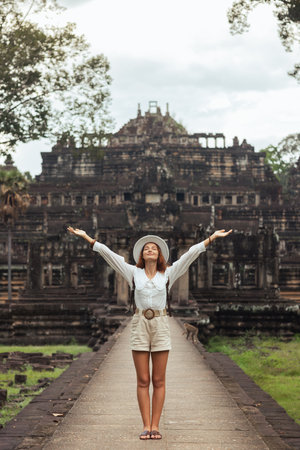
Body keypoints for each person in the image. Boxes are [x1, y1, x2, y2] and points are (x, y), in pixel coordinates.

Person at [67, 226, 232, 440]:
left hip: (161, 324)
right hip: (139, 324)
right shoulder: (132, 272)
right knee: (143, 380)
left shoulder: (169, 273)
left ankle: (156, 426)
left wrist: (211, 238)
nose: (150, 250)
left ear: (160, 254)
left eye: (154, 248)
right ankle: (146, 425)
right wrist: (87, 238)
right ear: (141, 255)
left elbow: (190, 255)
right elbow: (108, 254)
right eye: (147, 248)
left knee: (159, 379)